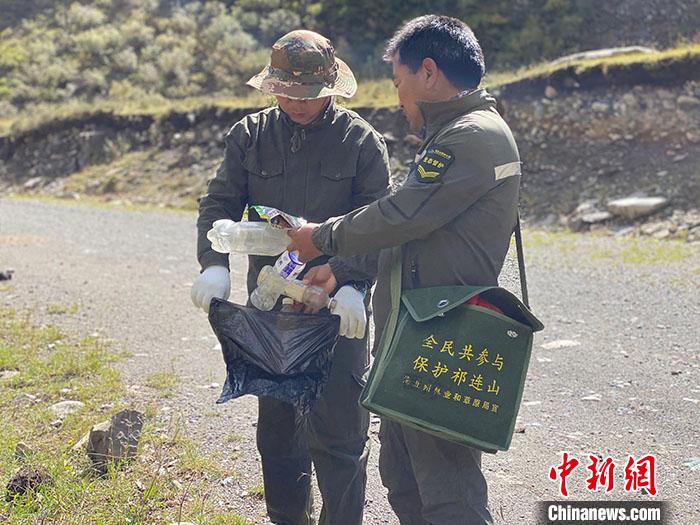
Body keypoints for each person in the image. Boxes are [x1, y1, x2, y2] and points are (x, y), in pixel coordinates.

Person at [288, 15, 523, 525]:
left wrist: (321, 237)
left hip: (440, 337)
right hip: (415, 336)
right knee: (404, 479)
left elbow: (402, 216)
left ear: (429, 72)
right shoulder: (455, 134)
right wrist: (341, 268)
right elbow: (412, 232)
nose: (397, 97)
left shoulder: (472, 136)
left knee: (448, 495)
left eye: (398, 81)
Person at [190, 30, 391, 525]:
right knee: (279, 436)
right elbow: (219, 204)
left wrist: (350, 282)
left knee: (341, 438)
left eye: (309, 94)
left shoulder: (361, 142)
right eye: (288, 92)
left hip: (335, 311)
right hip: (271, 310)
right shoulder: (250, 136)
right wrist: (214, 265)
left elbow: (379, 225)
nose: (298, 103)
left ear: (331, 88)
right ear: (272, 86)